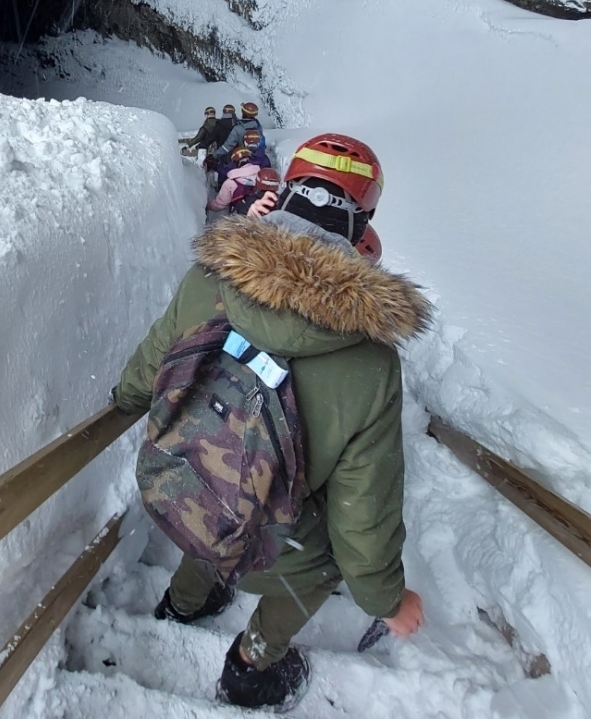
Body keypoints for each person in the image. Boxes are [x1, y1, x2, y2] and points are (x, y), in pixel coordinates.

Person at [113, 132, 430, 709]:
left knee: (220, 457)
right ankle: (252, 663)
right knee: (321, 551)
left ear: (284, 194)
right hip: (271, 543)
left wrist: (125, 399)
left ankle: (182, 604)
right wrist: (386, 598)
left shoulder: (206, 280)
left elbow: (150, 364)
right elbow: (362, 523)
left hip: (180, 487)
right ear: (361, 226)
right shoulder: (369, 365)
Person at [205, 147, 259, 218]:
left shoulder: (230, 183)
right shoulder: (261, 176)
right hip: (261, 215)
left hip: (241, 219)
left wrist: (206, 205)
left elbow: (219, 205)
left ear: (235, 163)